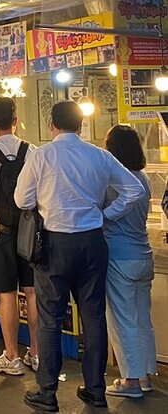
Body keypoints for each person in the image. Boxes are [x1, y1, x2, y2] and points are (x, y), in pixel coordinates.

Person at [15, 101, 145, 412]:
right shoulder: (99, 155)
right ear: (81, 126)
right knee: (93, 316)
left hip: (53, 245)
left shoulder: (41, 155)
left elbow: (22, 199)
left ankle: (47, 391)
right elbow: (134, 190)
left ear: (51, 126)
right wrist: (106, 214)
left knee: (50, 319)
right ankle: (96, 390)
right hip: (92, 242)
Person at [0, 97, 38, 375]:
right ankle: (36, 353)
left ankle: (11, 355)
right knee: (33, 292)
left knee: (7, 295)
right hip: (29, 232)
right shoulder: (32, 150)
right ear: (16, 120)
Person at [103, 125, 156, 398]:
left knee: (123, 321)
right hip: (143, 255)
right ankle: (146, 375)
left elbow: (97, 213)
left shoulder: (113, 181)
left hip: (119, 258)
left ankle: (131, 381)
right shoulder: (143, 178)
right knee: (142, 319)